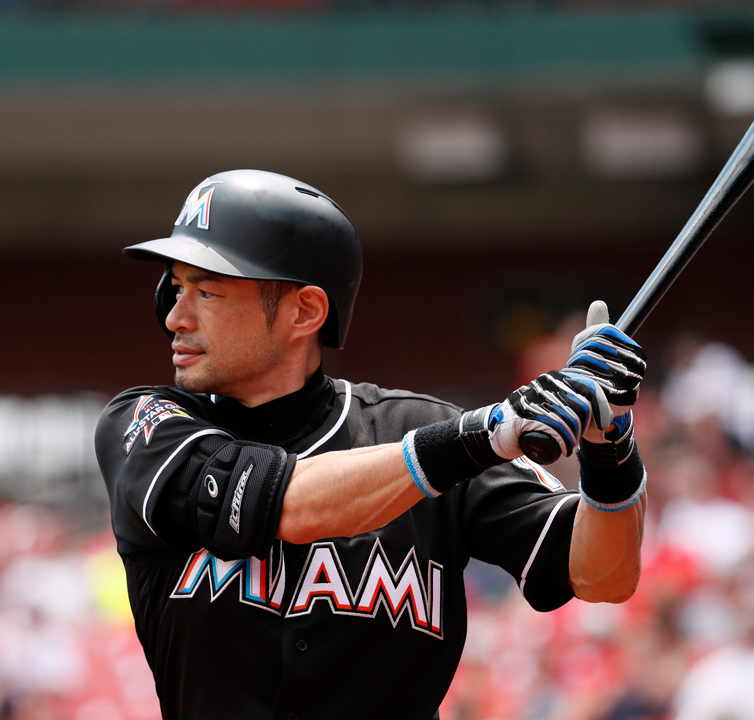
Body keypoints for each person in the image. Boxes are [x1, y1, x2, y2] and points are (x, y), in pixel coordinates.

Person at [94, 170, 650, 720]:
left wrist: (610, 447)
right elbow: (286, 501)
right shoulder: (144, 425)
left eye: (207, 291)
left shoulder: (420, 425)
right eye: (176, 287)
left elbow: (601, 575)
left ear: (305, 312)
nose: (174, 317)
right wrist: (480, 436)